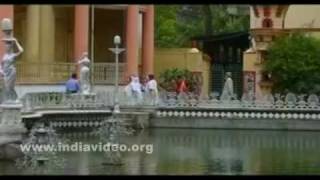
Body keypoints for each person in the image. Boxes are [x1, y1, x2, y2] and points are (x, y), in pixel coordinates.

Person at [0, 37, 24, 103]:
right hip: (5, 73)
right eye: (6, 46)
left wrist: (15, 41)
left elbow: (21, 50)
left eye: (8, 47)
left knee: (10, 86)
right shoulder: (4, 56)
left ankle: (16, 98)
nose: (7, 48)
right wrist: (1, 70)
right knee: (7, 87)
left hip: (11, 72)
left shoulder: (13, 55)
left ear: (10, 48)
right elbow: (1, 64)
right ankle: (10, 99)